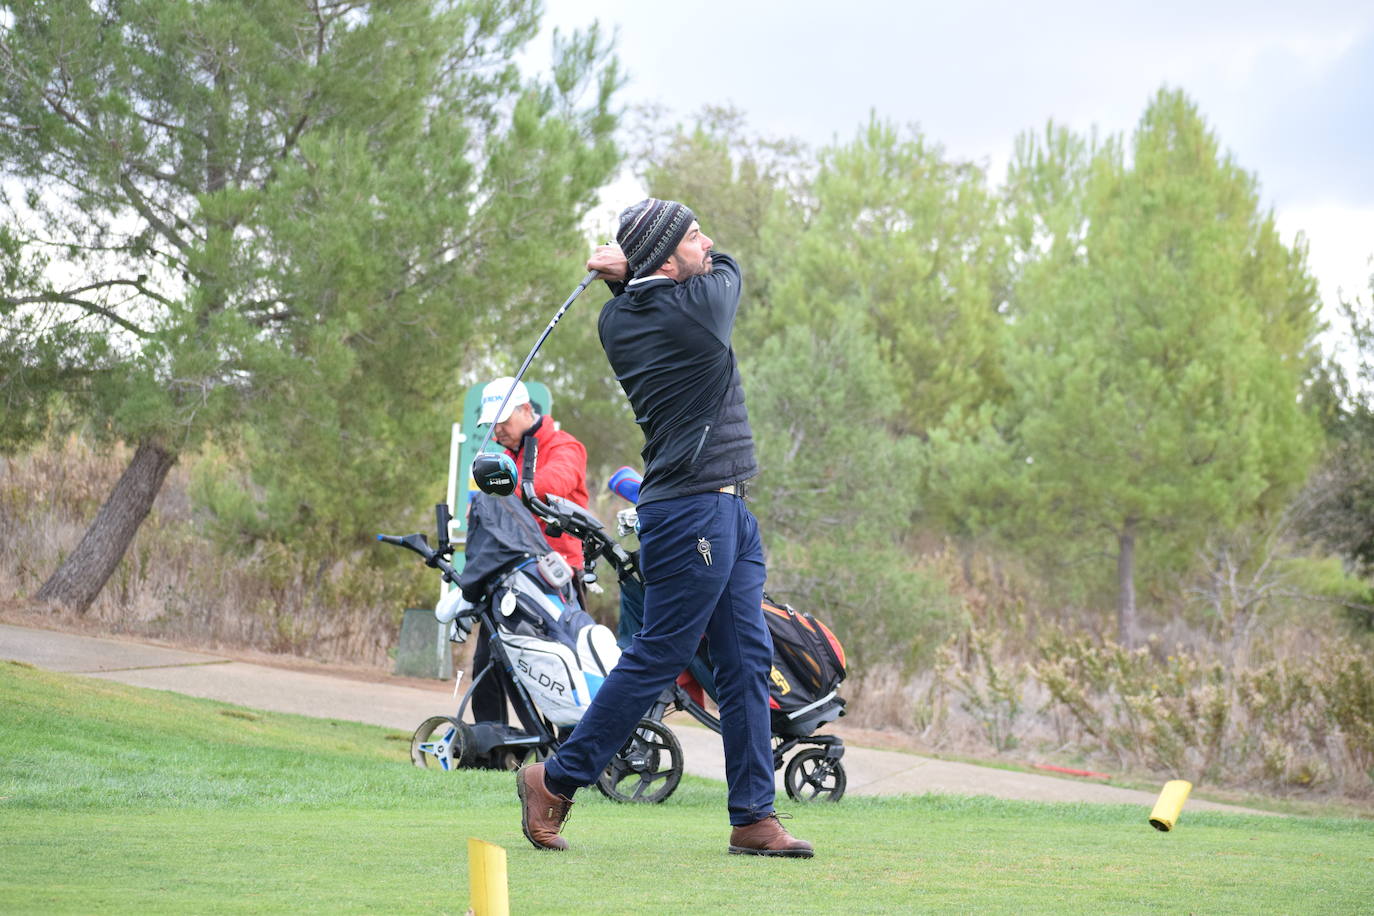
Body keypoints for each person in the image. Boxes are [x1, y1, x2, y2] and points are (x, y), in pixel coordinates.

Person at [515, 198, 813, 858]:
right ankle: (554, 779)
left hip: (727, 507)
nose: (707, 244)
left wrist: (630, 272)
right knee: (660, 654)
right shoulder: (698, 308)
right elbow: (729, 271)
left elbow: (650, 288)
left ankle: (752, 817)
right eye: (693, 236)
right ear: (669, 257)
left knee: (746, 662)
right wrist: (640, 265)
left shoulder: (618, 316)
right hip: (693, 511)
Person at [467, 377, 590, 725]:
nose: (496, 432)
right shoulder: (505, 458)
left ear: (526, 410)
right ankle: (491, 748)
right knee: (489, 659)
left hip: (557, 575)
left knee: (563, 664)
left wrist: (501, 492)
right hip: (510, 575)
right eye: (491, 426)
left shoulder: (566, 446)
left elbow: (550, 487)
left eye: (502, 422)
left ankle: (572, 751)